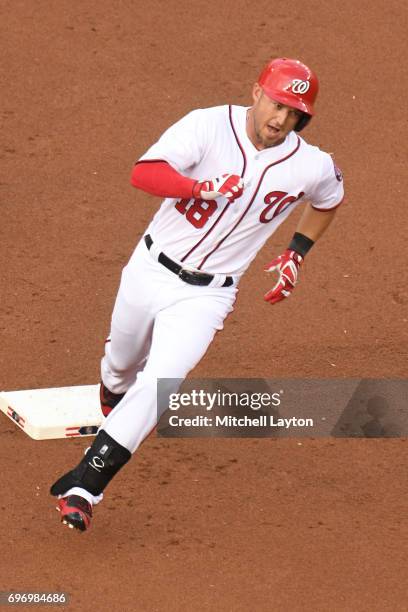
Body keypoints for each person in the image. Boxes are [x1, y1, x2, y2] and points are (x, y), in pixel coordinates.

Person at [50, 57, 344, 531]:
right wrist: (199, 187)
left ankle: (87, 484)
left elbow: (329, 200)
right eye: (277, 105)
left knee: (160, 382)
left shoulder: (312, 165)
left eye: (295, 114)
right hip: (149, 270)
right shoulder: (207, 126)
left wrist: (297, 253)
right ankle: (114, 401)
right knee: (121, 369)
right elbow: (144, 173)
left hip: (207, 298)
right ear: (256, 93)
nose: (281, 121)